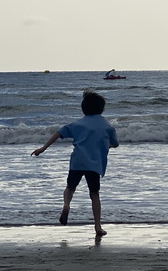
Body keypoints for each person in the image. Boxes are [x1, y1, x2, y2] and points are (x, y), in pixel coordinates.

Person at [32, 90, 119, 238]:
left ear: (83, 109)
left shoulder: (78, 124)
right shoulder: (106, 126)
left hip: (77, 162)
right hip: (94, 164)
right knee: (94, 194)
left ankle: (66, 205)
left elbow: (58, 133)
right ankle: (98, 226)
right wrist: (104, 146)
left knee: (70, 188)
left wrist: (42, 148)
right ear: (102, 109)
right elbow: (115, 144)